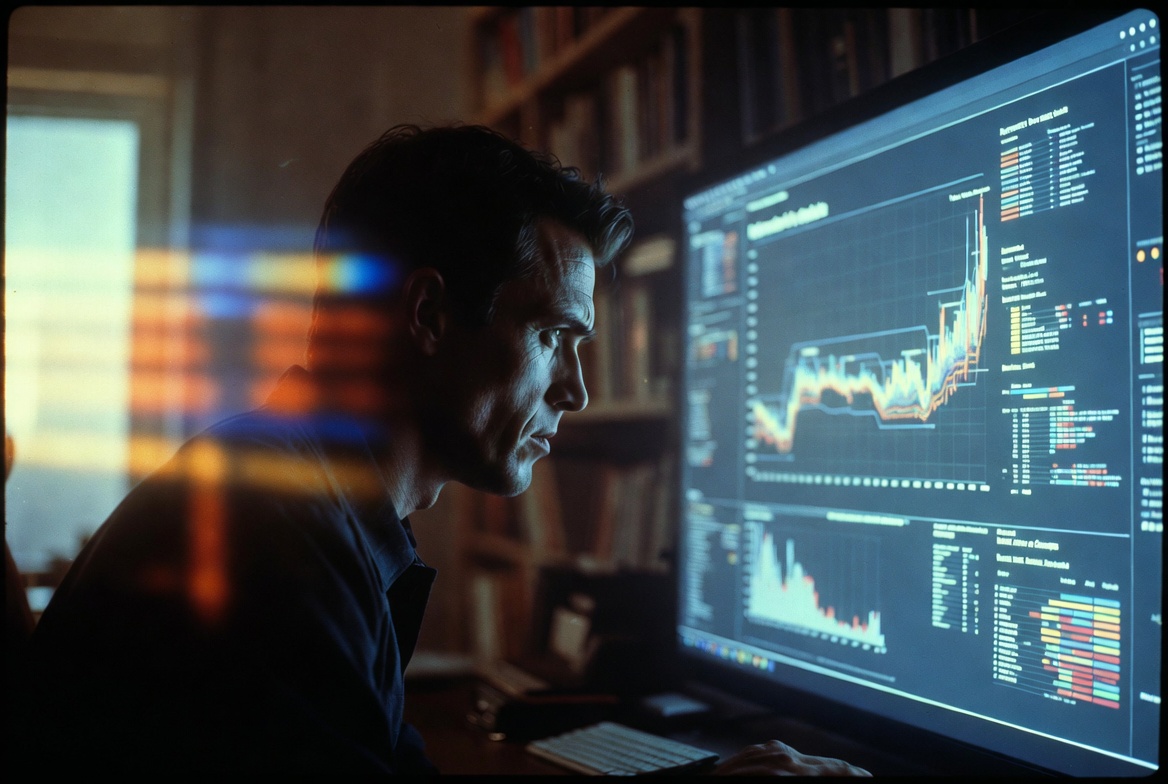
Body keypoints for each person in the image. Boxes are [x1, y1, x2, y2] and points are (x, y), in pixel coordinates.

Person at [8, 124, 868, 776]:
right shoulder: (272, 538)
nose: (577, 391)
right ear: (427, 316)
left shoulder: (295, 495)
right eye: (553, 336)